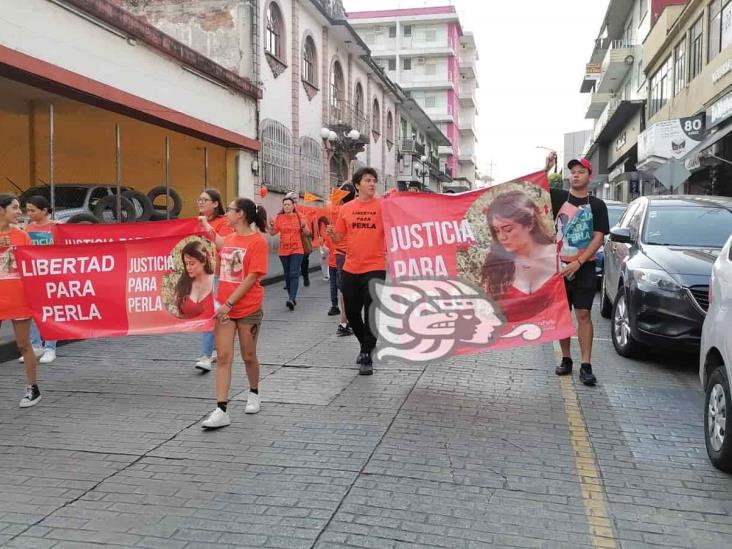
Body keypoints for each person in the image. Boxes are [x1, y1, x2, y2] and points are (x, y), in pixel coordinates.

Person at [198, 198, 268, 429]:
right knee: (224, 357)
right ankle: (221, 409)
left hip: (247, 308)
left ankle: (254, 392)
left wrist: (229, 302)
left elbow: (251, 278)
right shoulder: (229, 238)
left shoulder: (258, 242)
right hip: (225, 308)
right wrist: (205, 226)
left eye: (229, 210)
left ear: (241, 215)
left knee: (248, 355)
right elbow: (219, 243)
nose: (225, 213)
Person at [546, 152, 609, 386]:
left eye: (580, 172)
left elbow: (598, 238)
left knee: (583, 314)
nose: (575, 176)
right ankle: (566, 358)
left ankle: (586, 364)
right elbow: (534, 190)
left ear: (589, 176)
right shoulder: (559, 198)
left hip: (584, 268)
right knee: (563, 314)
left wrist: (579, 262)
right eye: (572, 172)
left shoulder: (597, 205)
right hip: (559, 268)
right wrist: (546, 167)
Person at [327, 167, 386, 375]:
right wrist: (332, 234)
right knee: (351, 312)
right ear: (357, 184)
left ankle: (366, 356)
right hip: (351, 267)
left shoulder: (383, 206)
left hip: (376, 267)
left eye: (374, 181)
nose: (372, 184)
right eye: (368, 180)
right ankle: (367, 345)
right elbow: (338, 239)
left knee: (371, 313)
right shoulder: (347, 208)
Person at [481, 190, 559, 321]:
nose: (502, 237)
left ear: (529, 224)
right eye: (496, 231)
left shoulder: (556, 256)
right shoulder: (497, 265)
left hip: (546, 335)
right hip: (511, 338)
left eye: (508, 229)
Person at [0, 193, 42, 407]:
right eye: (14, 208)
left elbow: (33, 266)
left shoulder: (22, 236)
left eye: (19, 208)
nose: (19, 212)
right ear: (1, 210)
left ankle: (32, 389)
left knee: (24, 344)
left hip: (18, 298)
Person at [194, 188, 232, 372]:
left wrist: (206, 227)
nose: (200, 202)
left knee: (209, 314)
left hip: (218, 274)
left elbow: (223, 245)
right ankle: (217, 349)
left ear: (216, 203)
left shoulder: (224, 222)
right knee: (212, 314)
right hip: (201, 275)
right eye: (199, 199)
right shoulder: (195, 222)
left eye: (205, 200)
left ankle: (205, 356)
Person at [22, 195, 57, 364]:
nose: (29, 213)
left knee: (50, 311)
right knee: (34, 311)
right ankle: (36, 346)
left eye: (32, 210)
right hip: (34, 276)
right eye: (27, 210)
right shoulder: (27, 228)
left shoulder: (56, 227)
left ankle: (50, 347)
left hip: (52, 276)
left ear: (44, 210)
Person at [269, 196, 310, 310]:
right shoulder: (279, 218)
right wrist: (270, 226)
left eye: (289, 204)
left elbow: (307, 233)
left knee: (293, 273)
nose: (286, 206)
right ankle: (291, 297)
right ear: (283, 206)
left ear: (293, 206)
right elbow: (272, 233)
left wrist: (303, 226)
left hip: (297, 249)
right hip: (283, 250)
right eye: (285, 205)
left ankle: (291, 299)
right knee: (287, 275)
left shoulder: (299, 216)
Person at [174, 240, 215, 320]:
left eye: (192, 263)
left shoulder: (215, 281)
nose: (188, 268)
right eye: (186, 264)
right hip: (188, 330)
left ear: (203, 261)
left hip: (211, 330)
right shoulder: (183, 284)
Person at [285, 191, 313, 287]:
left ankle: (305, 277)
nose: (294, 203)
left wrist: (303, 226)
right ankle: (289, 281)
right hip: (288, 244)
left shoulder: (301, 214)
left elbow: (308, 232)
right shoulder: (282, 216)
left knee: (304, 262)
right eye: (292, 200)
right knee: (289, 263)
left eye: (295, 201)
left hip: (302, 243)